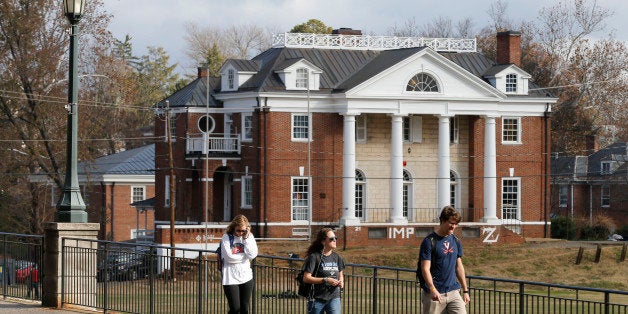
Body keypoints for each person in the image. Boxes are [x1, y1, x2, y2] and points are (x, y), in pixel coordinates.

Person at [419, 206, 470, 314]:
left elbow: (459, 266)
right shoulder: (429, 241)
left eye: (456, 224)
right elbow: (425, 268)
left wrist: (465, 290)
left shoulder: (455, 241)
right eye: (451, 223)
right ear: (442, 221)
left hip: (453, 291)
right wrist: (432, 289)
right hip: (435, 294)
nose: (454, 227)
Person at [302, 227, 345, 314]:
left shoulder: (337, 257)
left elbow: (340, 275)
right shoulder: (314, 257)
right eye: (331, 239)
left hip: (334, 298)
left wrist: (341, 282)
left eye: (335, 238)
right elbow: (306, 278)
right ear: (323, 241)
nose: (335, 240)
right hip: (317, 299)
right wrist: (325, 280)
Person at [221, 214, 258, 314]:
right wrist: (244, 257)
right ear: (233, 227)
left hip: (246, 277)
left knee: (244, 309)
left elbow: (252, 255)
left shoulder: (249, 237)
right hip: (230, 278)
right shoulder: (226, 237)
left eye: (243, 231)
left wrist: (246, 239)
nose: (240, 233)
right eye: (238, 230)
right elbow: (228, 258)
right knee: (235, 309)